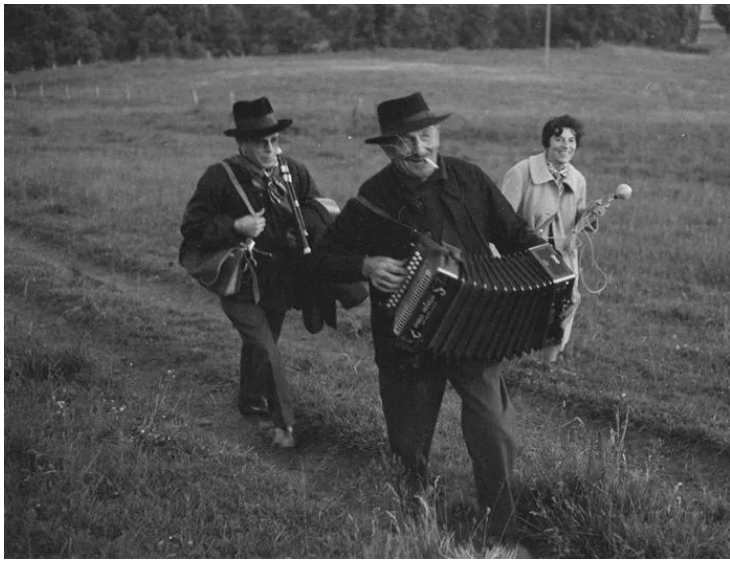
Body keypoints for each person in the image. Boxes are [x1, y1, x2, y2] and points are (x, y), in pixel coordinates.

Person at [306, 92, 545, 544]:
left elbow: (514, 235)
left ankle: (501, 536)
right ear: (387, 148)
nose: (420, 149)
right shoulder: (372, 199)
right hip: (406, 342)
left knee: (495, 433)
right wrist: (365, 266)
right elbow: (320, 258)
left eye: (427, 135)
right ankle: (418, 531)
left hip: (474, 329)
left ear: (439, 134)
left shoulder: (470, 179)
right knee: (409, 448)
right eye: (405, 141)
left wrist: (549, 262)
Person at [179, 97, 321, 449]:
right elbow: (192, 227)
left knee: (261, 343)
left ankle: (250, 400)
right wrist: (235, 226)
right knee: (266, 346)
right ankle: (285, 425)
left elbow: (321, 208)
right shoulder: (220, 176)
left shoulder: (293, 171)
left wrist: (301, 228)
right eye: (262, 143)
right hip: (237, 280)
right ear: (242, 144)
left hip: (276, 279)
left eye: (275, 141)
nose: (271, 149)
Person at [500, 115, 588, 365]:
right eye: (559, 138)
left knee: (566, 305)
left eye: (571, 140)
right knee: (520, 309)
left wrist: (590, 216)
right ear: (547, 142)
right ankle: (508, 360)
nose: (566, 145)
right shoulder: (521, 172)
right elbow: (501, 218)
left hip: (563, 257)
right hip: (527, 254)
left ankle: (547, 365)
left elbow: (577, 221)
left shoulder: (578, 179)